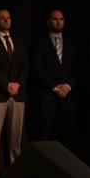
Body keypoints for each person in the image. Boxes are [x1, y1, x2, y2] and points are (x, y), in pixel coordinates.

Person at [0, 9, 30, 178]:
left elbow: (25, 66)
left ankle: (14, 169)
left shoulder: (19, 41)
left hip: (17, 94)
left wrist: (18, 84)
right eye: (2, 18)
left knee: (15, 136)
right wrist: (6, 85)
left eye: (8, 17)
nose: (6, 20)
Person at [30, 9, 77, 151]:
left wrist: (68, 86)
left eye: (61, 19)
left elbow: (78, 68)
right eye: (55, 19)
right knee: (44, 134)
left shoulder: (72, 43)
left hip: (68, 96)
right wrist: (54, 87)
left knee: (67, 136)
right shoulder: (39, 43)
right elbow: (37, 67)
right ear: (48, 22)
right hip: (47, 96)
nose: (59, 22)